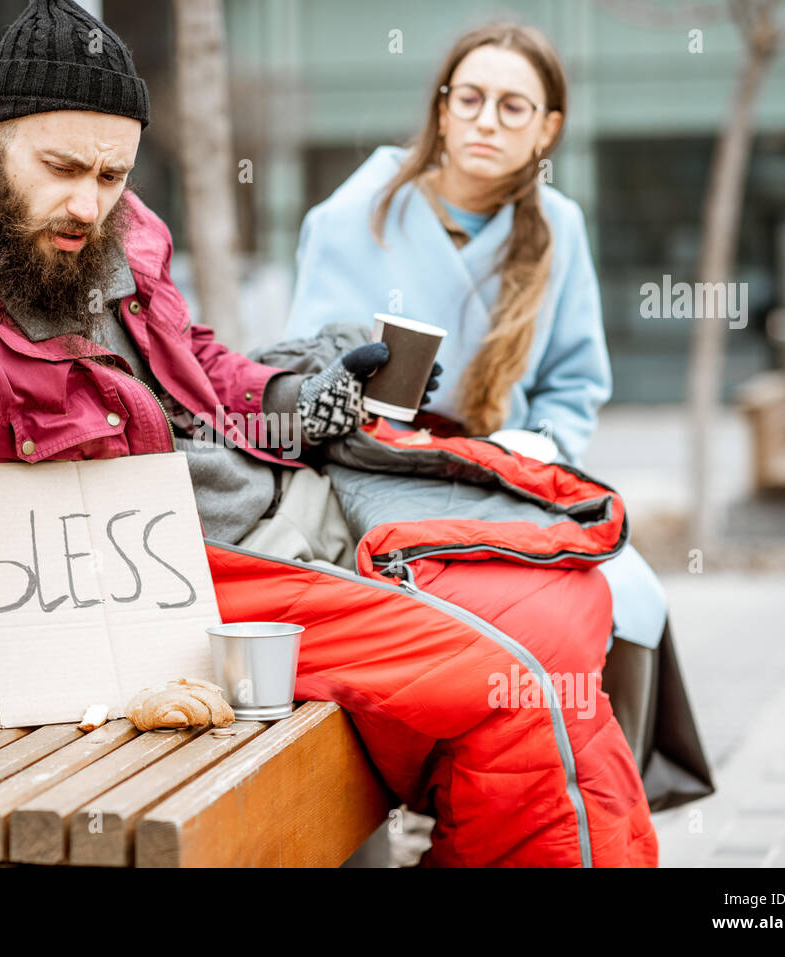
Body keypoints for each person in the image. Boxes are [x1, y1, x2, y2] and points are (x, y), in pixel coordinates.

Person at [0, 0, 427, 790]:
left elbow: (192, 362)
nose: (89, 204)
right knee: (493, 666)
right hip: (191, 578)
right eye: (61, 167)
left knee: (533, 589)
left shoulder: (120, 227)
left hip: (279, 505)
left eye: (111, 175)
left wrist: (295, 398)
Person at [284, 21, 669, 660]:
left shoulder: (559, 228)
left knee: (630, 601)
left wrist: (535, 447)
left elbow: (572, 383)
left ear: (547, 129)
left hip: (506, 480)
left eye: (513, 106)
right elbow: (300, 369)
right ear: (442, 109)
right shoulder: (349, 217)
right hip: (371, 481)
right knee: (463, 621)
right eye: (469, 99)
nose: (486, 121)